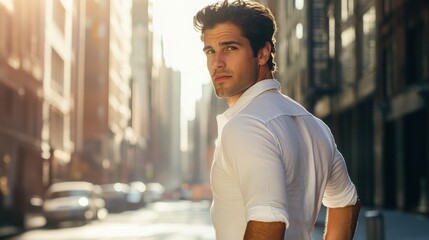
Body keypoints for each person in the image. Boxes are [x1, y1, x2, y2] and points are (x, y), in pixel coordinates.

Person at [193, 0, 360, 239]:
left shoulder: (245, 126)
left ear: (262, 53)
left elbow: (269, 221)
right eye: (210, 50)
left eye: (230, 48)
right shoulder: (314, 125)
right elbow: (346, 202)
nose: (217, 62)